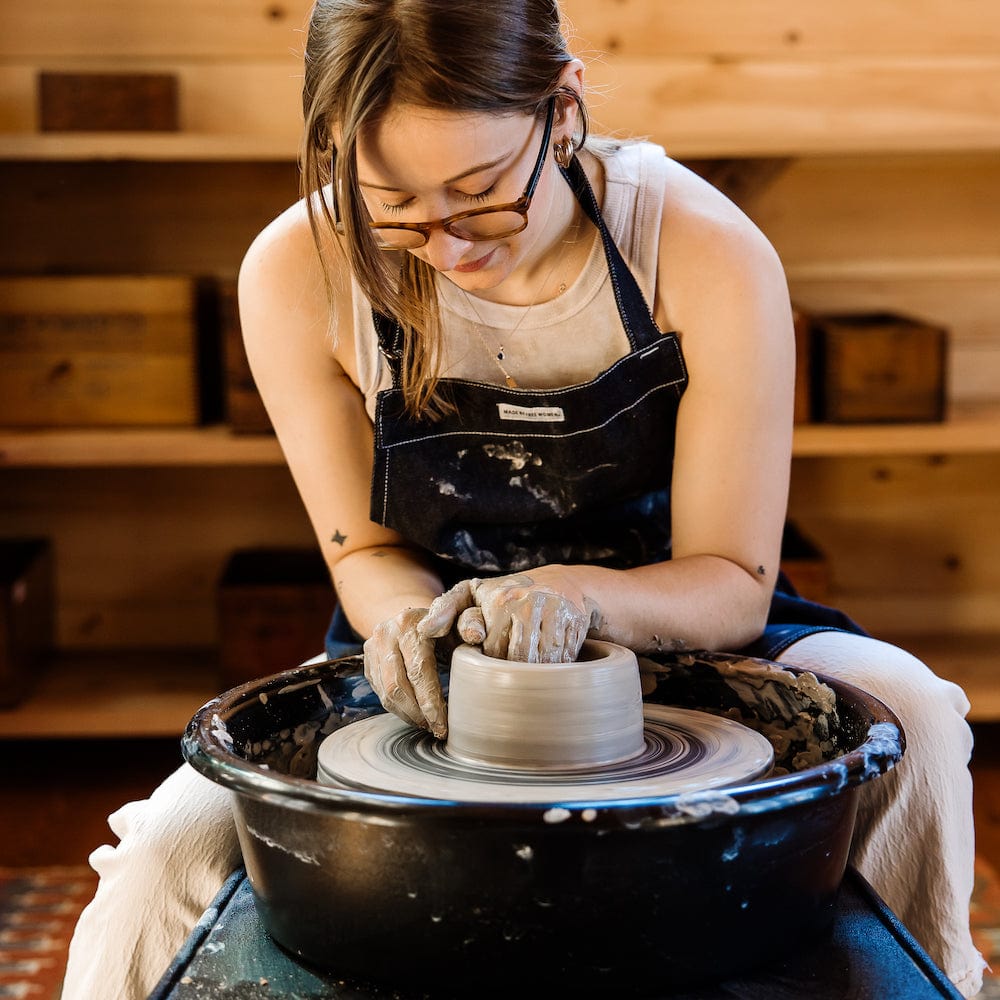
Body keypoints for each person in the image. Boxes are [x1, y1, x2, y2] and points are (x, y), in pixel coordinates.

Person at [61, 1, 985, 997]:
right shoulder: (296, 269)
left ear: (562, 106)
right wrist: (412, 627)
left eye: (483, 194)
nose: (452, 246)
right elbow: (362, 552)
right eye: (396, 210)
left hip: (689, 636)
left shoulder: (696, 245)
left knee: (915, 717)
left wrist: (578, 596)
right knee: (167, 849)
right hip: (429, 654)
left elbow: (732, 582)